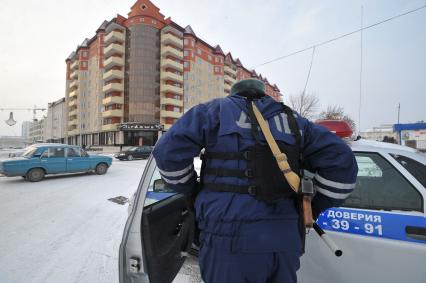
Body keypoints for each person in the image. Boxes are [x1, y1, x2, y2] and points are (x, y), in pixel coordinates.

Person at [152, 79, 358, 283]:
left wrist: (191, 190)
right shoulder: (293, 120)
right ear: (263, 94)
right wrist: (311, 206)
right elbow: (342, 163)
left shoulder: (212, 112)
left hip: (227, 239)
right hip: (284, 240)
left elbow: (167, 153)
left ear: (234, 93)